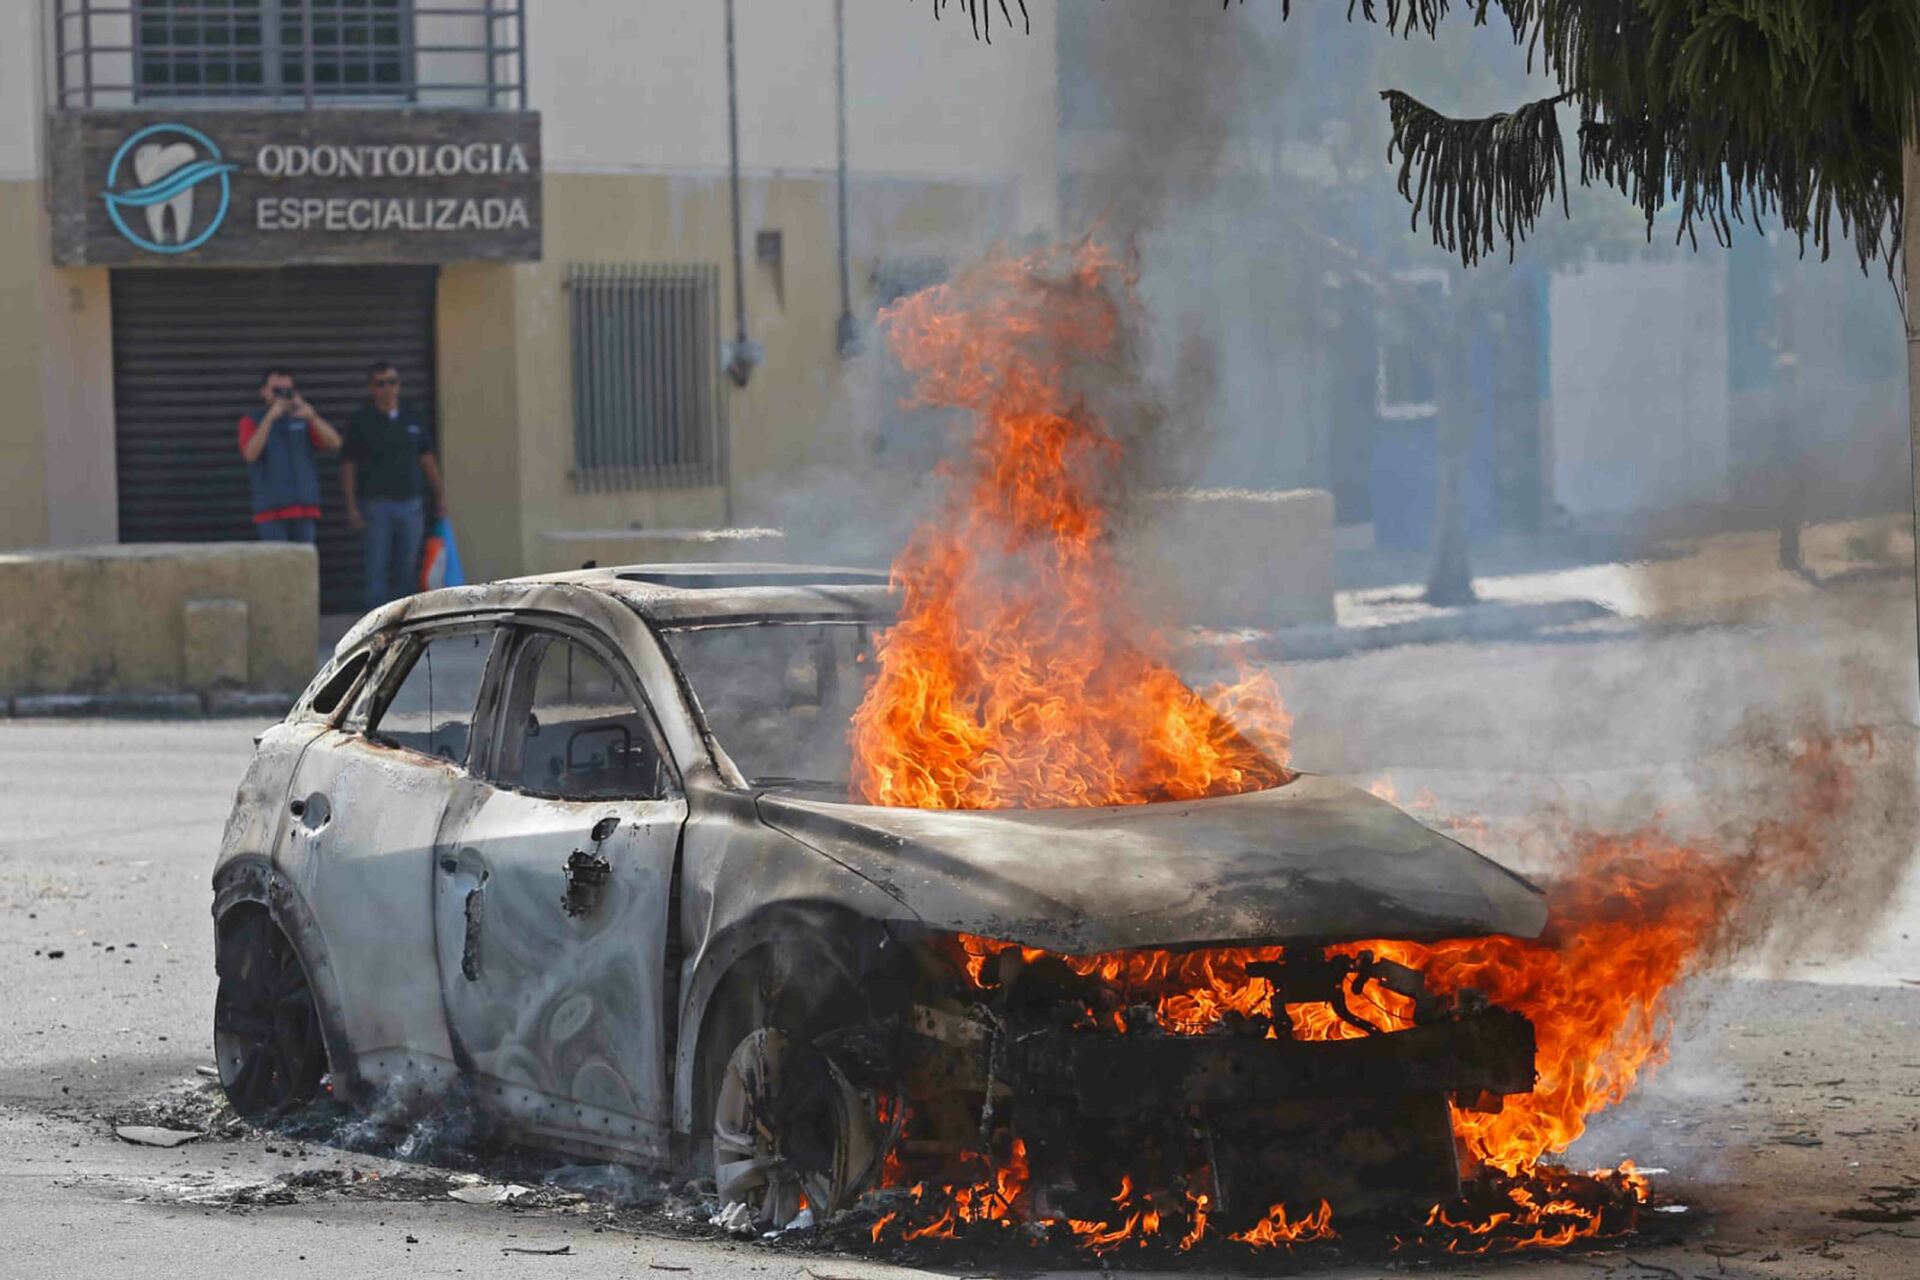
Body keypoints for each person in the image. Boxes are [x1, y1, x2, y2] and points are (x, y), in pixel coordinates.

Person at [342, 361, 447, 610]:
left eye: (392, 382)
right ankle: (376, 625)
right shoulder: (361, 420)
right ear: (372, 388)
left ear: (399, 385)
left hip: (411, 506)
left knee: (407, 569)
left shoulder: (412, 416)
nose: (387, 388)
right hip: (376, 506)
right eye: (381, 384)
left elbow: (427, 459)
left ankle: (403, 623)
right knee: (376, 569)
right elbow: (348, 466)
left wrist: (440, 497)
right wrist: (351, 507)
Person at [238, 368, 342, 544]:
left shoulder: (302, 418)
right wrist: (269, 419)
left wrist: (313, 417)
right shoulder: (252, 420)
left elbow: (335, 443)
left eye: (287, 390)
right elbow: (250, 454)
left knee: (304, 560)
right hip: (272, 512)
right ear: (263, 392)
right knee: (276, 561)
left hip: (303, 508)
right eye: (276, 390)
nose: (282, 396)